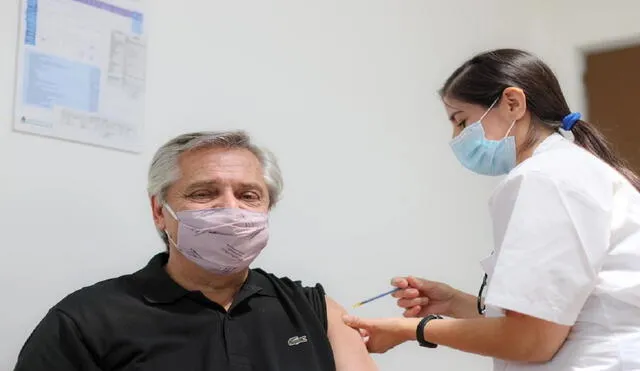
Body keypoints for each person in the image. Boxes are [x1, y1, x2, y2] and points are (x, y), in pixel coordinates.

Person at [343, 48, 640, 370]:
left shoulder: (546, 179)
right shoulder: (571, 170)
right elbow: (554, 318)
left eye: (461, 121)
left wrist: (410, 330)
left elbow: (532, 340)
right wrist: (456, 303)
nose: (456, 138)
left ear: (513, 103)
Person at [14, 131, 377, 371]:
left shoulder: (314, 309)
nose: (231, 210)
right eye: (203, 193)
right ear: (160, 211)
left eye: (249, 196)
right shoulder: (85, 322)